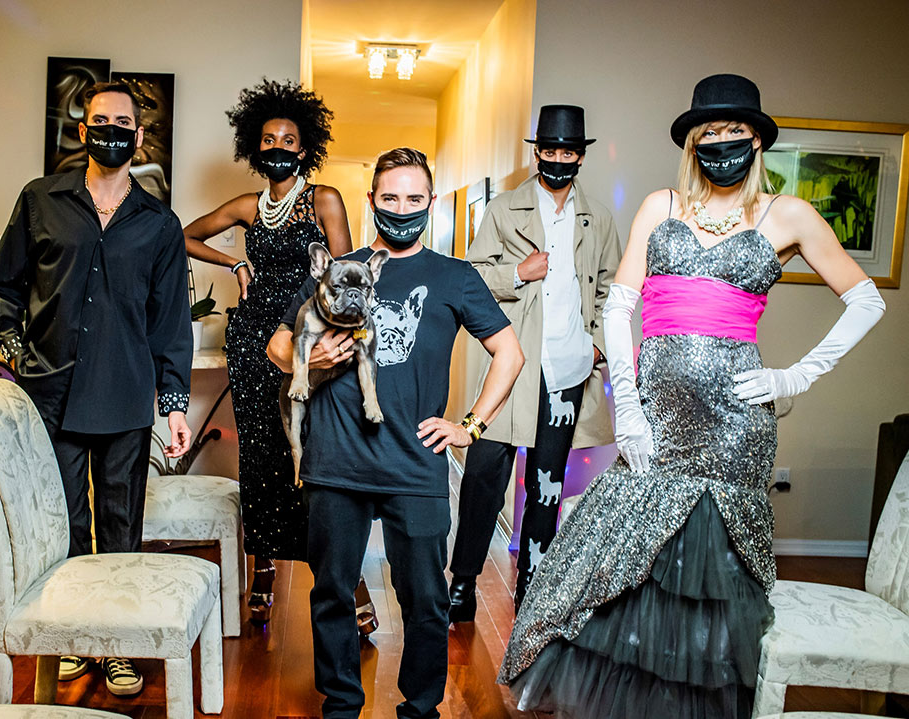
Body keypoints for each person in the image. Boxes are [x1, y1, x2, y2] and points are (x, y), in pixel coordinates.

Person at [498, 73, 886, 719]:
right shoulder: (660, 204)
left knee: (706, 570)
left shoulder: (787, 214)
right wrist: (629, 406)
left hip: (737, 423)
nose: (724, 144)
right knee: (629, 559)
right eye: (711, 134)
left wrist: (794, 375)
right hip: (658, 413)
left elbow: (865, 299)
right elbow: (620, 305)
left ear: (758, 140)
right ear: (693, 143)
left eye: (736, 133)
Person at [267, 147, 524, 719]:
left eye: (413, 198)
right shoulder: (341, 267)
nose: (401, 208)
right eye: (389, 198)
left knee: (427, 600)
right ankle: (340, 705)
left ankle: (421, 708)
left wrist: (470, 425)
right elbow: (279, 347)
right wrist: (319, 361)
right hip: (336, 462)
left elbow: (509, 352)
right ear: (371, 201)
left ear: (431, 204)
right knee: (333, 593)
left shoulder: (455, 277)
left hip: (416, 463)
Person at [0, 81, 193, 697]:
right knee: (65, 526)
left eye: (122, 122)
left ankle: (118, 647)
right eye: (100, 120)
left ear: (138, 134)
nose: (111, 130)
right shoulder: (39, 199)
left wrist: (175, 404)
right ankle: (75, 638)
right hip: (49, 396)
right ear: (83, 131)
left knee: (121, 525)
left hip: (126, 396)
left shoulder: (159, 222)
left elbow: (170, 323)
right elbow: (4, 287)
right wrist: (18, 351)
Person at [183, 79, 361, 626]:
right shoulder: (247, 206)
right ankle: (263, 568)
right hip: (250, 342)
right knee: (260, 462)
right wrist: (235, 263)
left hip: (305, 342)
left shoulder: (322, 198)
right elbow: (179, 235)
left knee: (309, 459)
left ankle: (344, 585)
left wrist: (331, 339)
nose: (277, 147)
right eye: (268, 139)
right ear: (254, 148)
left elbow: (344, 273)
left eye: (288, 139)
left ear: (304, 148)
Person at [449, 105, 621, 618]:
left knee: (546, 485)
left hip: (569, 372)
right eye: (549, 150)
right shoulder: (504, 209)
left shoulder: (599, 218)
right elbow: (473, 276)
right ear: (537, 151)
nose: (558, 160)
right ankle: (462, 582)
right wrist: (520, 272)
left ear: (581, 156)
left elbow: (614, 288)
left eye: (568, 152)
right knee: (484, 475)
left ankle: (533, 586)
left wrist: (598, 347)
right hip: (516, 369)